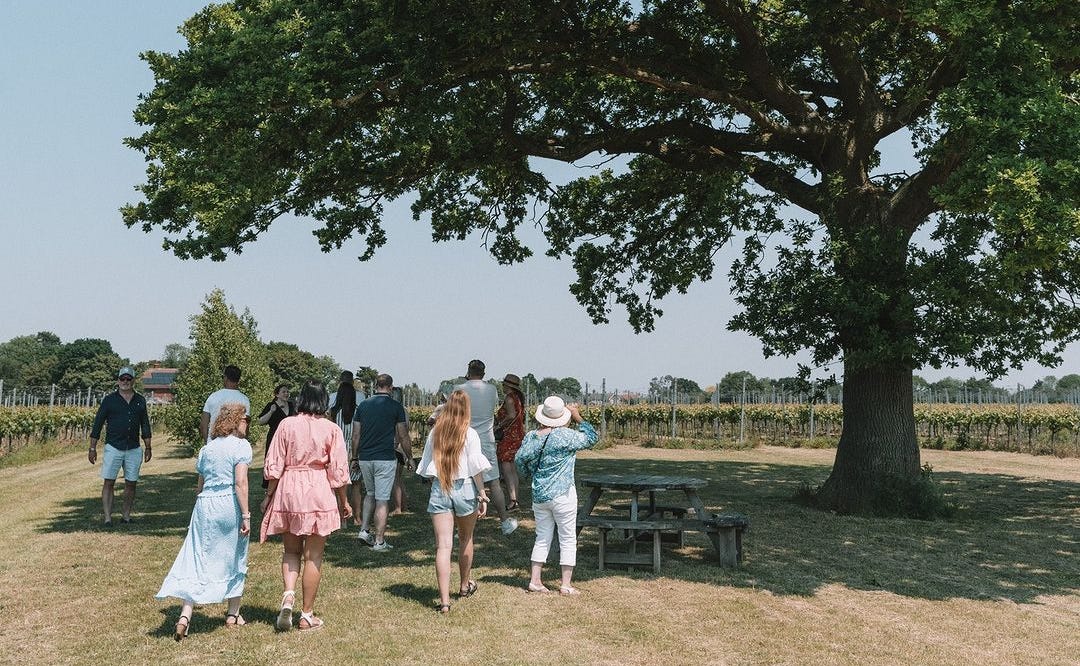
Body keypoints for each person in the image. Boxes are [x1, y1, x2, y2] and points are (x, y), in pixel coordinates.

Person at [260, 380, 352, 631]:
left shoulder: (286, 425)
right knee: (314, 556)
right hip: (318, 489)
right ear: (324, 401)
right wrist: (344, 501)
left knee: (291, 551)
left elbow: (275, 464)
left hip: (289, 488)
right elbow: (338, 470)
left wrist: (269, 496)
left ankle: (288, 594)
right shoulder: (331, 429)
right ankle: (307, 614)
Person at [156, 403, 252, 640]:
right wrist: (246, 514)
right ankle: (233, 613)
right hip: (228, 502)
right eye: (244, 419)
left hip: (205, 503)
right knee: (236, 554)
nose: (246, 423)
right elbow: (240, 483)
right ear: (235, 421)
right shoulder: (241, 446)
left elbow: (200, 484)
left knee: (198, 556)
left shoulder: (207, 449)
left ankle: (185, 614)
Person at [415, 390, 490, 614]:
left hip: (441, 487)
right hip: (465, 487)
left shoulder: (435, 432)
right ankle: (465, 585)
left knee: (443, 546)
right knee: (466, 539)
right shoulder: (470, 434)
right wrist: (482, 493)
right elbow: (476, 468)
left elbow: (426, 468)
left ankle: (444, 601)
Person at [515, 396, 598, 595]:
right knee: (568, 538)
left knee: (542, 537)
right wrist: (578, 416)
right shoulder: (566, 436)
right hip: (563, 494)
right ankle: (565, 584)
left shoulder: (532, 437)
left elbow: (519, 460)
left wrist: (530, 474)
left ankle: (535, 580)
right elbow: (592, 437)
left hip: (540, 494)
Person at [456, 360, 517, 535]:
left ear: (468, 371)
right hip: (486, 439)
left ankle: (460, 526)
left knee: (461, 481)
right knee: (494, 482)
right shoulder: (491, 390)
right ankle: (505, 522)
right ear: (483, 373)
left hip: (463, 438)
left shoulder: (459, 389)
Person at [351, 374, 412, 550]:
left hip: (365, 457)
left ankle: (364, 530)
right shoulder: (396, 407)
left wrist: (355, 457)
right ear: (391, 388)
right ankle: (379, 541)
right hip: (385, 457)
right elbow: (403, 435)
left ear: (376, 386)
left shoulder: (363, 406)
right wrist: (408, 457)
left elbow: (356, 435)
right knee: (383, 499)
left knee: (370, 493)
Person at [88, 366, 152, 527]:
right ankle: (108, 518)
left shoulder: (140, 401)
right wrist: (92, 448)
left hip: (133, 448)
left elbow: (145, 425)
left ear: (133, 381)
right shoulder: (109, 400)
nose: (125, 382)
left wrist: (148, 446)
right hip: (113, 447)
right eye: (122, 379)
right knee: (109, 481)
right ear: (118, 381)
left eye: (128, 379)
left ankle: (126, 515)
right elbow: (98, 424)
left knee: (131, 483)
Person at [494, 373, 526, 511]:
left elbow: (511, 415)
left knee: (507, 470)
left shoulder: (509, 398)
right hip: (518, 435)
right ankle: (515, 500)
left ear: (507, 385)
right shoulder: (518, 398)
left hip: (508, 437)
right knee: (512, 469)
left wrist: (498, 425)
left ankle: (513, 501)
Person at [256, 384, 295, 488]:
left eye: (287, 392)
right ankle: (270, 487)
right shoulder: (271, 405)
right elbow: (260, 421)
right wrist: (271, 411)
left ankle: (285, 484)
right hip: (274, 437)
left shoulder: (291, 405)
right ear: (277, 394)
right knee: (273, 461)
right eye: (283, 392)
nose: (286, 394)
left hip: (289, 438)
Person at [200, 365, 251, 443]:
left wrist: (207, 442)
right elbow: (245, 428)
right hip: (235, 447)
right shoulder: (244, 400)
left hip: (214, 445)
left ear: (225, 378)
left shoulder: (213, 397)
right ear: (238, 380)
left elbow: (203, 425)